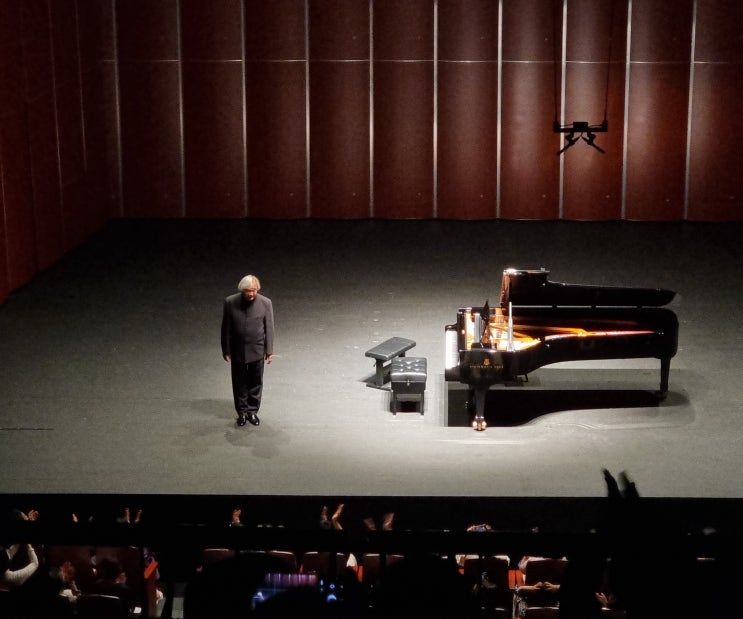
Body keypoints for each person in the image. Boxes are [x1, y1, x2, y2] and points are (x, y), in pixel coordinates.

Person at [221, 274, 275, 427]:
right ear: (242, 290)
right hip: (237, 351)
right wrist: (226, 349)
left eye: (254, 290)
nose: (251, 294)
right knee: (239, 382)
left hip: (257, 350)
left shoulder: (266, 303)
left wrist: (269, 350)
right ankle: (242, 412)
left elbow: (269, 328)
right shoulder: (230, 302)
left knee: (256, 382)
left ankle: (252, 411)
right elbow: (226, 328)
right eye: (248, 291)